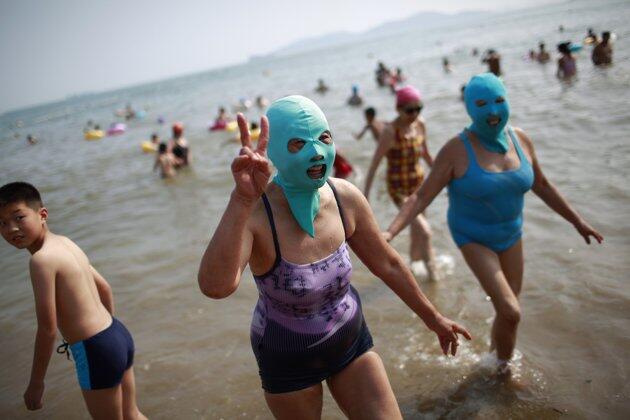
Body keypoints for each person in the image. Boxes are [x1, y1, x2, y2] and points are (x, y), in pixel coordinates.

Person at [197, 97, 471, 419]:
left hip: (349, 338)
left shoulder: (345, 197)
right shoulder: (257, 214)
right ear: (275, 151)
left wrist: (433, 318)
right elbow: (215, 287)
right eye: (298, 143)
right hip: (287, 356)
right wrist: (241, 200)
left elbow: (388, 264)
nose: (316, 152)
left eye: (324, 138)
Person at [382, 74, 603, 377]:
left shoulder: (520, 139)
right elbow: (420, 197)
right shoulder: (456, 150)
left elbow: (542, 184)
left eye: (499, 101)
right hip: (473, 236)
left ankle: (491, 357)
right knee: (512, 311)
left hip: (512, 233)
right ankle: (503, 373)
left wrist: (578, 221)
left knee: (507, 311)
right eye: (482, 104)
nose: (493, 111)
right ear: (470, 109)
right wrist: (389, 232)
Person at [0, 182, 146, 419]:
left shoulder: (41, 261)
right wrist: (109, 337)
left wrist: (36, 383)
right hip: (116, 334)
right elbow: (105, 288)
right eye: (2, 223)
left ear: (42, 214)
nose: (11, 229)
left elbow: (47, 329)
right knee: (132, 415)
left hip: (96, 348)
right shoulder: (66, 242)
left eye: (19, 217)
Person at [364, 86, 439, 281]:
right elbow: (374, 165)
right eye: (409, 110)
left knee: (417, 231)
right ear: (398, 109)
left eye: (418, 108)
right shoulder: (390, 132)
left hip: (420, 186)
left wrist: (444, 177)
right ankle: (434, 279)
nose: (414, 114)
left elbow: (426, 154)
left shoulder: (420, 125)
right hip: (399, 190)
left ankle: (414, 268)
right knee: (426, 231)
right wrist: (364, 197)